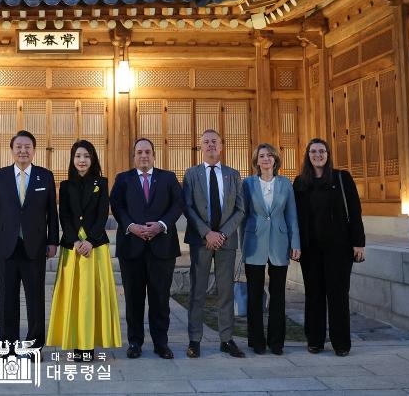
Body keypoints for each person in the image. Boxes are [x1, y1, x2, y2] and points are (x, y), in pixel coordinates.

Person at [0, 130, 58, 350]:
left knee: (35, 299)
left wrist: (53, 240)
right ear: (12, 150)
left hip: (35, 246)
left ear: (34, 151)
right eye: (19, 147)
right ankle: (8, 345)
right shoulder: (0, 176)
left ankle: (34, 346)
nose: (23, 151)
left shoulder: (45, 176)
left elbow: (52, 212)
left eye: (28, 147)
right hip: (7, 246)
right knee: (7, 298)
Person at [109, 138, 184, 360]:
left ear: (154, 155)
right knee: (133, 299)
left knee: (160, 299)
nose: (144, 156)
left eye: (148, 152)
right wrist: (131, 226)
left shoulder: (168, 178)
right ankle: (135, 342)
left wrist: (161, 225)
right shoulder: (123, 179)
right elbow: (117, 205)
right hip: (132, 248)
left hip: (162, 248)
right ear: (134, 156)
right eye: (139, 152)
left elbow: (178, 204)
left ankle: (161, 343)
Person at [47, 140, 121, 361]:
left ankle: (88, 345)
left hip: (95, 247)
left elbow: (101, 215)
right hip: (72, 248)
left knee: (90, 297)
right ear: (72, 159)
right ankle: (74, 342)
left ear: (93, 158)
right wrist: (75, 241)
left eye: (86, 156)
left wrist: (89, 240)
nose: (82, 160)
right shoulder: (66, 185)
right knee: (73, 295)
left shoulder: (102, 182)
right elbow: (65, 216)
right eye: (78, 156)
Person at [293, 138, 365, 357]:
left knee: (338, 295)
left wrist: (358, 242)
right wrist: (294, 245)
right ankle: (314, 340)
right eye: (313, 151)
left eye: (321, 151)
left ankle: (341, 343)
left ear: (328, 154)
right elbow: (293, 217)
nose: (318, 155)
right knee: (313, 295)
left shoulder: (342, 178)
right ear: (307, 155)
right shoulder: (299, 182)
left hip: (339, 249)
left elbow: (355, 211)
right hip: (310, 249)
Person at [183, 129, 246, 359]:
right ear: (200, 147)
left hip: (226, 242)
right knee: (197, 291)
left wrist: (222, 234)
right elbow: (187, 207)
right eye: (206, 142)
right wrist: (207, 233)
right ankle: (194, 340)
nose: (210, 145)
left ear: (221, 146)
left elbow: (240, 209)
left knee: (225, 292)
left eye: (214, 142)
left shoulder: (233, 174)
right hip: (201, 242)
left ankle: (226, 339)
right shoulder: (191, 174)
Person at [241, 143, 300, 355]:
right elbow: (243, 215)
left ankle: (277, 342)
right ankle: (256, 341)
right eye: (261, 156)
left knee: (278, 295)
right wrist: (241, 245)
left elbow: (291, 215)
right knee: (254, 294)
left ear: (275, 160)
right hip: (254, 242)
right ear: (256, 161)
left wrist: (296, 244)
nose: (266, 159)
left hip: (279, 243)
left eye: (269, 156)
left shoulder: (285, 184)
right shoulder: (247, 183)